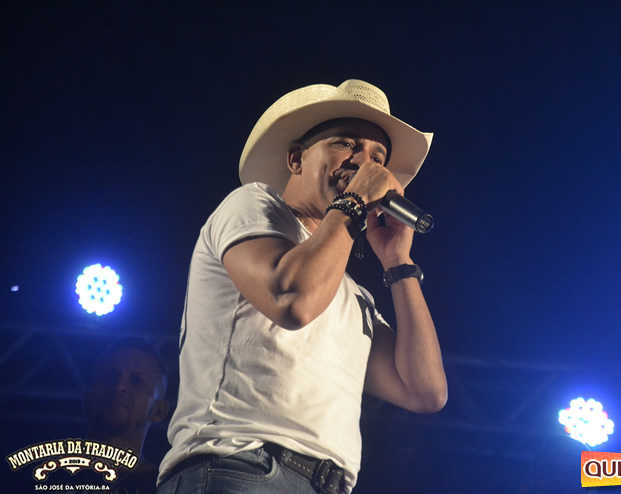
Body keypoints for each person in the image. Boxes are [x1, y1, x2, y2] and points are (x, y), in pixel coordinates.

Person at [157, 79, 447, 494]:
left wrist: (398, 262)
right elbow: (293, 300)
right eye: (346, 144)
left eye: (377, 157)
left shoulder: (352, 295)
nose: (364, 163)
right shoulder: (251, 205)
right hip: (242, 464)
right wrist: (353, 203)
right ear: (296, 159)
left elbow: (425, 391)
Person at [82, 337, 170, 493]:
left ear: (159, 411)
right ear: (87, 398)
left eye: (136, 381)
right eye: (109, 377)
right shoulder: (42, 470)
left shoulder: (168, 488)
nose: (119, 386)